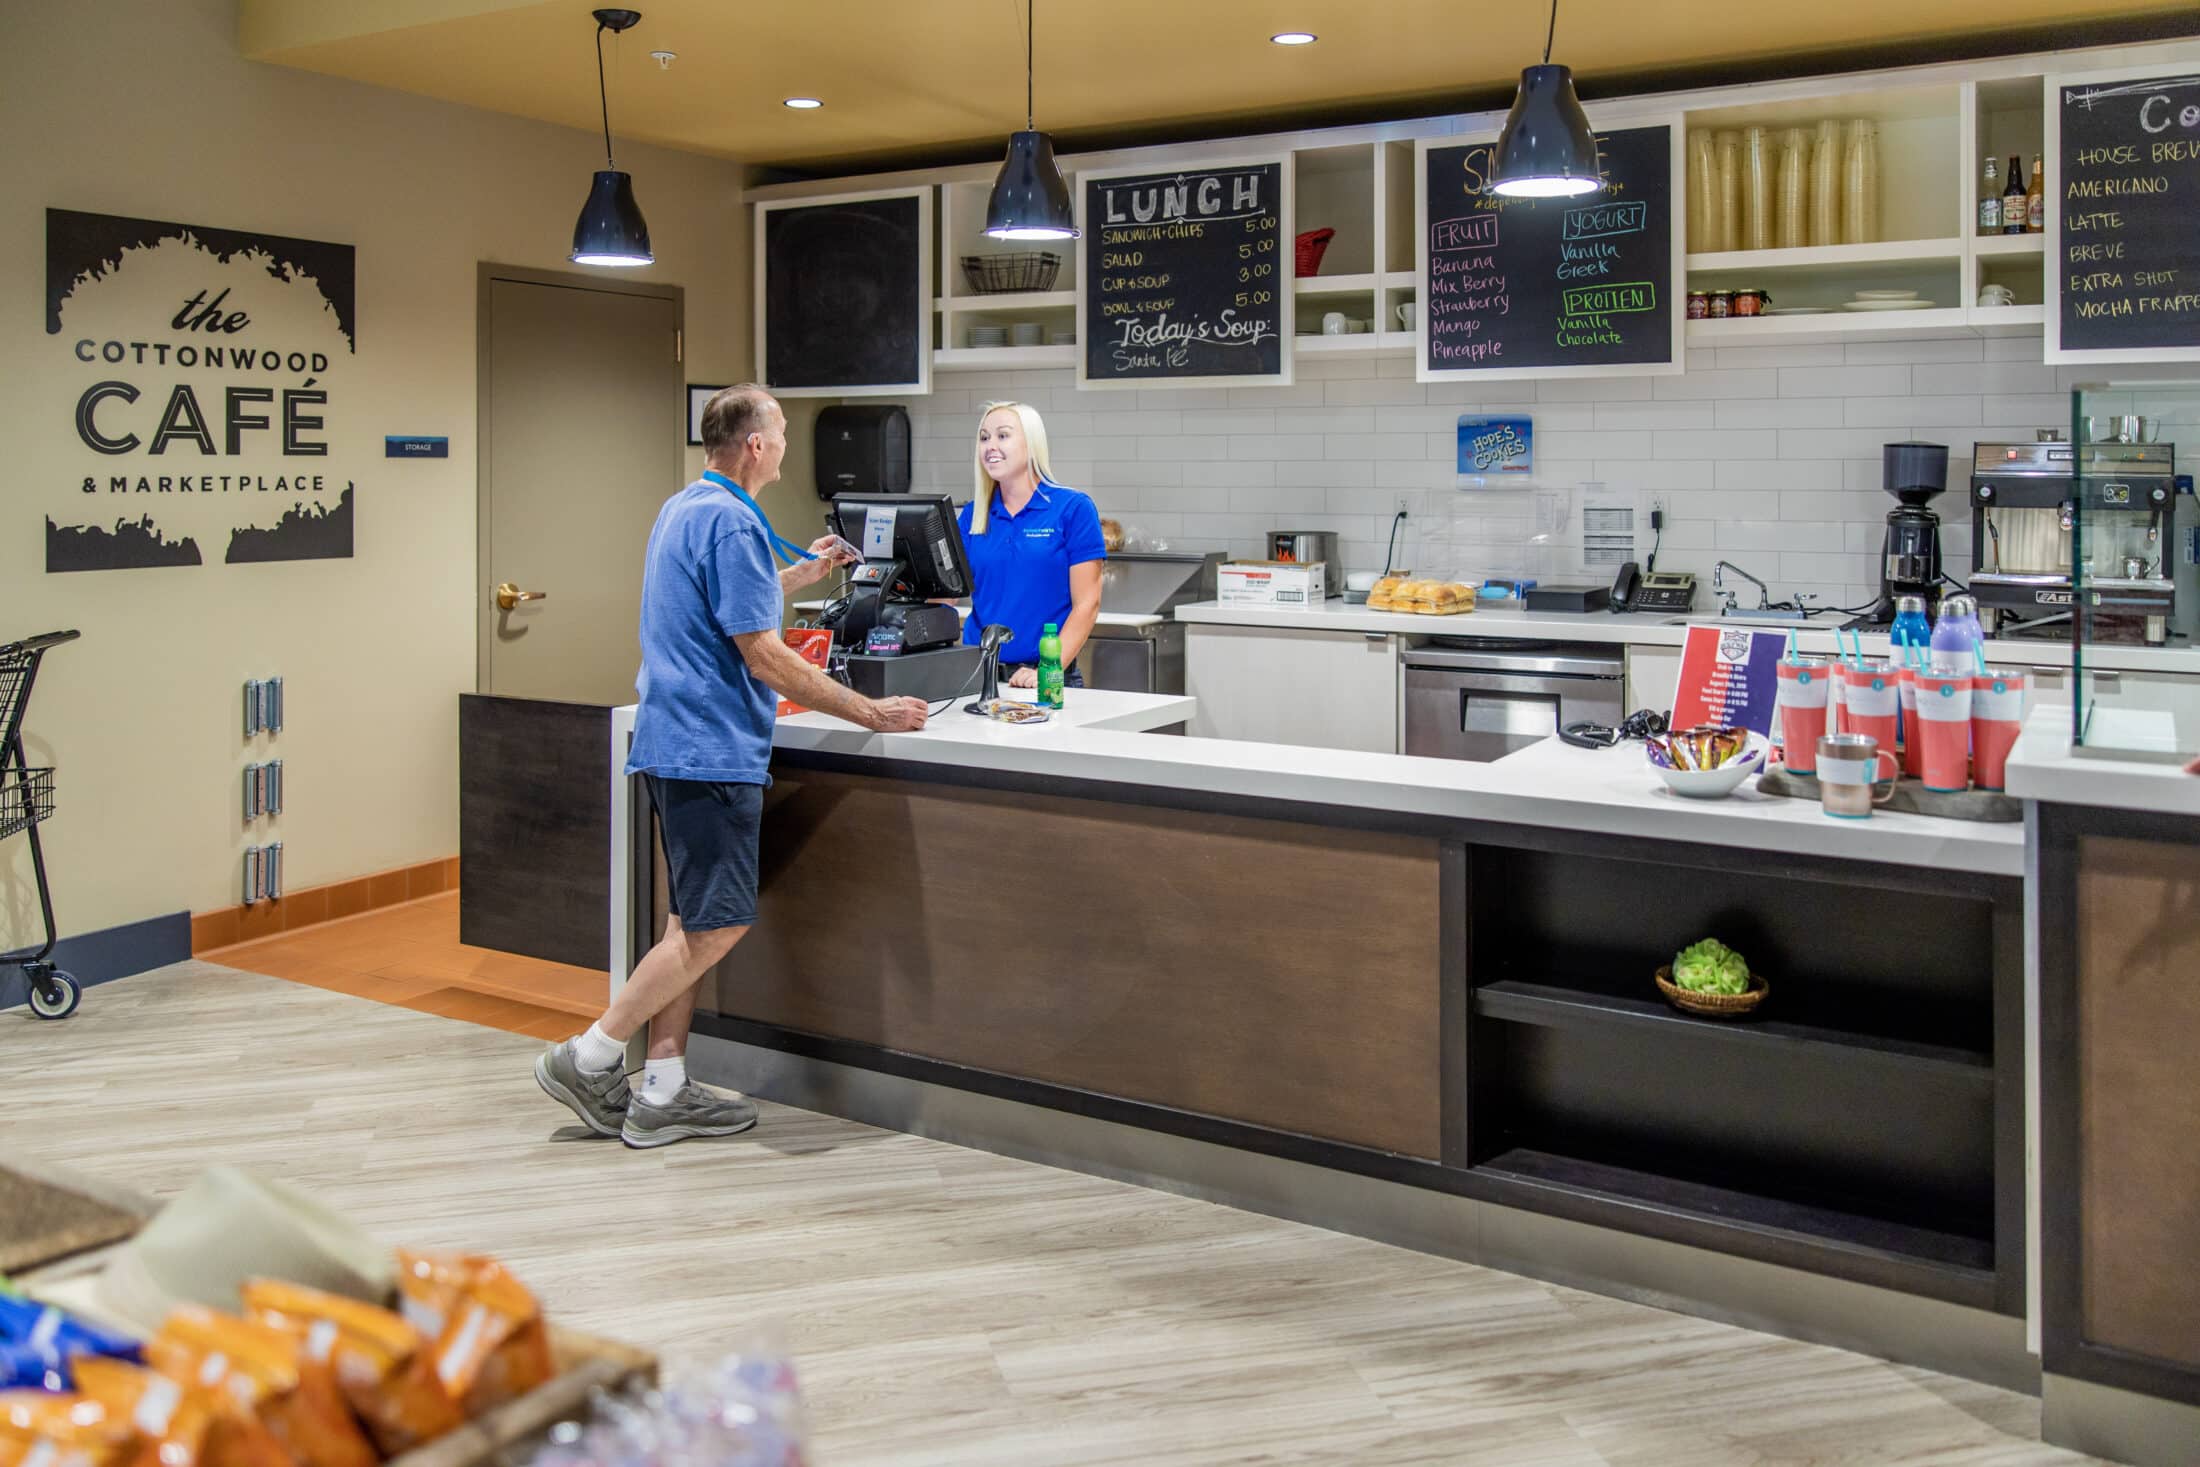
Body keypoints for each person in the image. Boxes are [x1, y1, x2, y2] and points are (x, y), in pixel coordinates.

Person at [534, 385, 929, 1149]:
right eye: (779, 431)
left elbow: (723, 608)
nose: (784, 443)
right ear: (754, 444)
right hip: (707, 746)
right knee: (718, 927)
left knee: (692, 922)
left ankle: (664, 1090)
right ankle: (590, 1056)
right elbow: (766, 655)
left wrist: (797, 579)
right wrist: (871, 712)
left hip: (675, 739)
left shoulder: (687, 507)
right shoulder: (730, 520)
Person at [958, 401, 1106, 688]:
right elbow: (945, 595)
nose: (990, 446)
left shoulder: (1073, 508)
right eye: (984, 437)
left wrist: (1047, 670)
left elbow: (1088, 604)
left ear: (1032, 444)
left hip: (1045, 678)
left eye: (1003, 435)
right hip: (977, 677)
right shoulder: (972, 516)